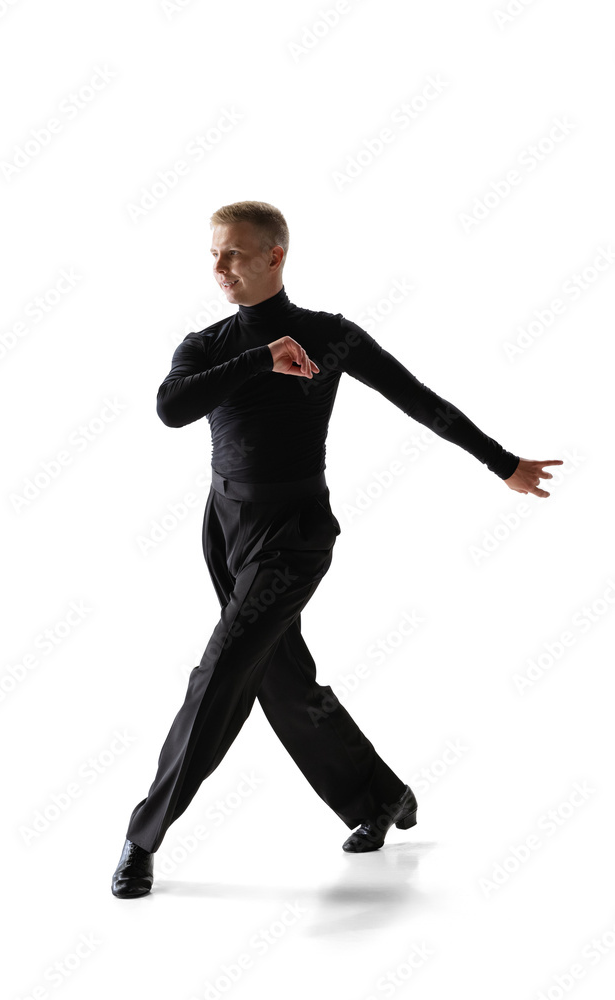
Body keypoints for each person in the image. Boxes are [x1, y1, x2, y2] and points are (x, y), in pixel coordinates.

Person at [111, 200, 562, 898]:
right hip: (224, 525)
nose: (218, 266)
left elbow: (417, 398)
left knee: (221, 672)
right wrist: (261, 357)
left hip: (293, 531)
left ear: (272, 256)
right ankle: (380, 797)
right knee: (278, 678)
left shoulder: (330, 336)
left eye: (232, 252)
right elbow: (172, 408)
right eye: (213, 253)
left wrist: (501, 462)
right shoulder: (203, 344)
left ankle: (143, 837)